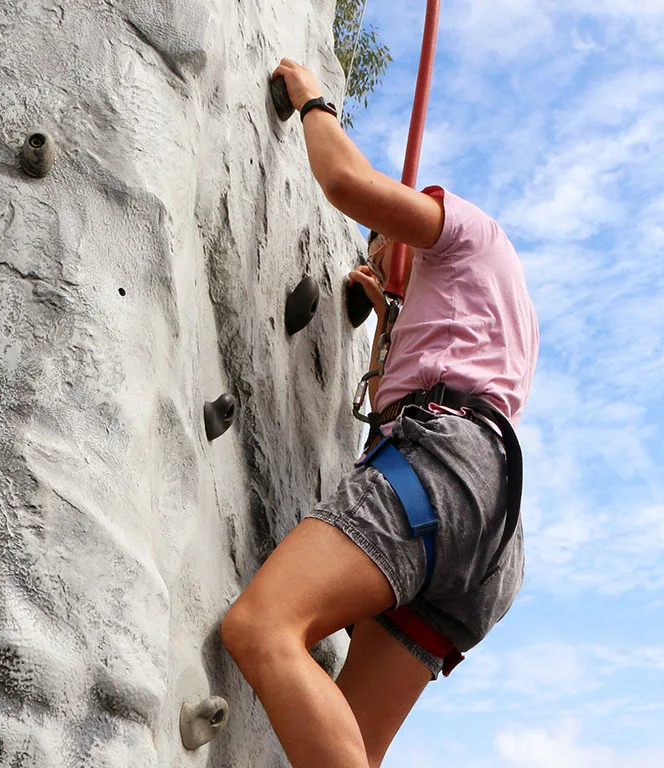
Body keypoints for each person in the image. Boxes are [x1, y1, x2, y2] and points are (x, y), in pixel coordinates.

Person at [220, 58, 539, 768]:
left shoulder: (470, 234)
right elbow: (420, 380)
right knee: (345, 753)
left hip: (444, 470)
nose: (376, 247)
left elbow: (346, 185)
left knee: (263, 627)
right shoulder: (490, 314)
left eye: (381, 238)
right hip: (488, 528)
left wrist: (313, 103)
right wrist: (386, 320)